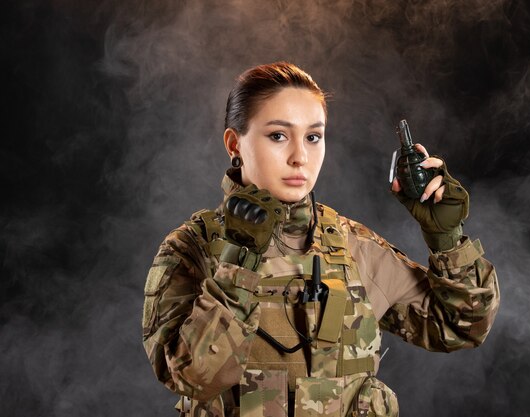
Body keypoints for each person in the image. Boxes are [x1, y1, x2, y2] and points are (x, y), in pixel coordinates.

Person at [142, 62, 500, 417]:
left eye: (313, 137)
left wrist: (446, 239)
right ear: (235, 143)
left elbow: (459, 326)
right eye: (278, 135)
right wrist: (240, 263)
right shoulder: (192, 249)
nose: (300, 157)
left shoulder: (352, 246)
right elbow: (194, 379)